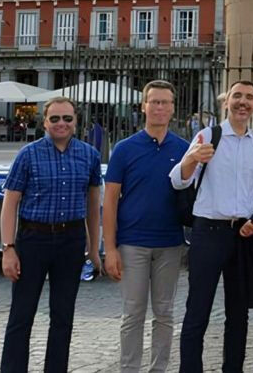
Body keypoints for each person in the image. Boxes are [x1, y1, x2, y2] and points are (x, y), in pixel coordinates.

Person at [170, 79, 253, 373]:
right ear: (227, 101)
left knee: (238, 316)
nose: (243, 102)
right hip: (208, 233)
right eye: (237, 96)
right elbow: (178, 180)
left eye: (249, 97)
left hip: (243, 235)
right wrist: (190, 160)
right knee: (197, 312)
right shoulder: (208, 135)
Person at [0, 96, 103, 373]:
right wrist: (8, 248)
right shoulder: (28, 154)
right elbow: (10, 203)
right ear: (44, 122)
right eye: (54, 118)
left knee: (63, 315)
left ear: (76, 121)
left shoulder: (89, 155)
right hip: (33, 239)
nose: (61, 123)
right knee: (22, 314)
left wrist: (94, 248)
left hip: (71, 240)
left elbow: (93, 206)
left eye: (67, 118)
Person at [103, 80, 189, 373]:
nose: (160, 107)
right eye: (154, 102)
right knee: (133, 314)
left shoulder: (185, 149)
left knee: (165, 313)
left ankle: (158, 369)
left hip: (170, 243)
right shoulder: (125, 149)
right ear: (143, 106)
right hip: (132, 243)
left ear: (173, 109)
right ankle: (129, 369)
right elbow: (111, 200)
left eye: (165, 102)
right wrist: (110, 247)